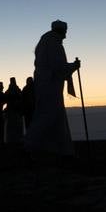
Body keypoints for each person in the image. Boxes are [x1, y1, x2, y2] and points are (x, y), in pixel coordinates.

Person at [25, 20, 80, 156]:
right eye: (65, 32)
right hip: (51, 86)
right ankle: (34, 145)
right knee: (48, 116)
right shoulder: (54, 43)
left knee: (50, 115)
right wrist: (73, 66)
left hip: (45, 84)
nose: (66, 35)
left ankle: (54, 148)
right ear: (61, 31)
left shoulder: (45, 41)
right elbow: (58, 67)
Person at [4, 76, 25, 146]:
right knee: (14, 128)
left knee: (14, 127)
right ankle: (14, 140)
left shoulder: (12, 91)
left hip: (14, 112)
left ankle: (14, 140)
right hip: (13, 112)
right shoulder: (17, 90)